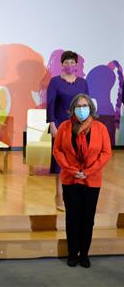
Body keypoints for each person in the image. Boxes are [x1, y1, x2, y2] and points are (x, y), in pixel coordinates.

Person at [53, 93, 111, 268]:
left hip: (91, 180)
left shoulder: (100, 128)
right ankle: (72, 253)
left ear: (91, 109)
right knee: (72, 217)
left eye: (85, 106)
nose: (82, 109)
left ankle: (84, 253)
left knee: (87, 218)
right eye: (78, 106)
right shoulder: (64, 127)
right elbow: (58, 151)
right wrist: (71, 170)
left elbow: (106, 153)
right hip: (70, 180)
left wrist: (88, 171)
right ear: (73, 109)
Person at [46, 50, 89, 211]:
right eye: (66, 62)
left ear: (76, 65)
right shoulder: (55, 81)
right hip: (60, 125)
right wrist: (52, 124)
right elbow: (50, 103)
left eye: (72, 62)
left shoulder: (82, 83)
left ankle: (74, 194)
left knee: (78, 160)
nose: (69, 65)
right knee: (60, 161)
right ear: (62, 64)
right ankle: (59, 195)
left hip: (79, 126)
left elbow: (87, 104)